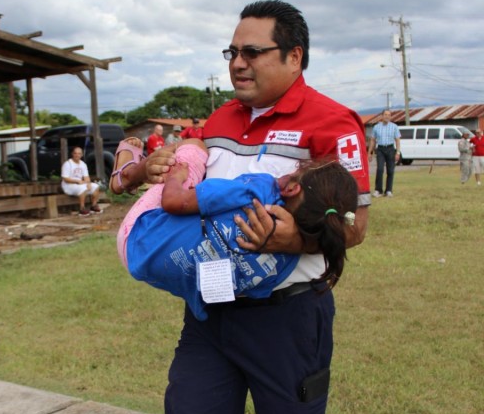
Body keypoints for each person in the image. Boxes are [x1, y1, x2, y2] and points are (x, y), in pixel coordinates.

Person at [115, 0, 370, 414]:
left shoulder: (331, 122)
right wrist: (151, 166)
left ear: (294, 56)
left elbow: (353, 225)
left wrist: (292, 237)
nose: (238, 62)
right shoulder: (221, 117)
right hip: (210, 311)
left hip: (288, 318)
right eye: (232, 51)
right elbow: (185, 177)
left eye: (252, 51)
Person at [112, 137, 358, 322]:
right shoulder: (285, 263)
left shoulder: (260, 190)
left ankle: (124, 174)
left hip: (136, 234)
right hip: (155, 272)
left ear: (292, 187)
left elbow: (174, 202)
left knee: (194, 147)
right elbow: (251, 291)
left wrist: (176, 178)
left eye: (296, 171)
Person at [367, 110, 401, 197]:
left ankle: (388, 190)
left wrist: (397, 152)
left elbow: (397, 140)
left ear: (391, 117)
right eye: (385, 115)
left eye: (389, 115)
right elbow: (373, 140)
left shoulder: (394, 127)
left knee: (390, 170)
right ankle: (378, 190)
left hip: (390, 149)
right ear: (382, 116)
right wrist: (370, 152)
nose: (387, 116)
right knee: (380, 169)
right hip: (380, 149)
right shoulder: (376, 127)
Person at [60, 146, 101, 216]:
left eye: (79, 153)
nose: (77, 155)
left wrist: (88, 183)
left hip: (80, 184)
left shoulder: (83, 164)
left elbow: (86, 177)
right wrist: (77, 181)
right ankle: (82, 208)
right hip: (68, 185)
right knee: (83, 188)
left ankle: (94, 205)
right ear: (72, 154)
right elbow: (65, 179)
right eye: (75, 153)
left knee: (95, 186)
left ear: (81, 155)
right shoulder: (67, 164)